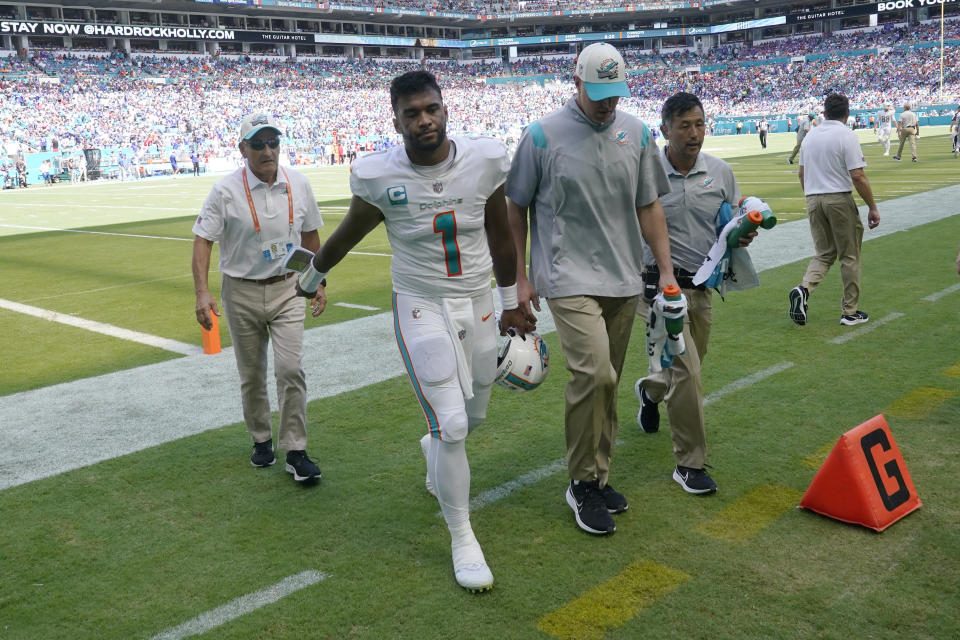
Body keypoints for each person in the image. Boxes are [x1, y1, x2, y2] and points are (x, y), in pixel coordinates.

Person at [294, 70, 530, 593]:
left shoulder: (484, 158)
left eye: (432, 109)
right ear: (395, 119)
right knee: (454, 424)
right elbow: (347, 233)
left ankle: (434, 450)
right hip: (422, 303)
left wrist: (512, 301)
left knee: (473, 417)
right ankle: (462, 536)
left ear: (445, 108)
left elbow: (501, 234)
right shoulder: (380, 174)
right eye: (412, 113)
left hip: (477, 298)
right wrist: (313, 275)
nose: (425, 120)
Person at [504, 43, 677, 536]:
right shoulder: (541, 137)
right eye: (598, 93)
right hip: (566, 277)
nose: (608, 103)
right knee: (594, 374)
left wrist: (665, 271)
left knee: (610, 380)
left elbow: (649, 206)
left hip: (623, 278)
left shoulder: (638, 134)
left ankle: (599, 478)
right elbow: (515, 206)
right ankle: (580, 482)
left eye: (615, 94)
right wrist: (520, 276)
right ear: (575, 83)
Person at [191, 113, 324, 484]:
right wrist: (202, 293)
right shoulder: (225, 191)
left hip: (289, 289)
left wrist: (318, 281)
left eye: (273, 142)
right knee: (251, 374)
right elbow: (203, 240)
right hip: (241, 290)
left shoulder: (299, 182)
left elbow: (311, 235)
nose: (267, 150)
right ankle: (262, 440)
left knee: (291, 369)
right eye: (258, 144)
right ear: (242, 149)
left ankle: (296, 450)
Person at [634, 92, 755, 495]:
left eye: (699, 124)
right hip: (657, 287)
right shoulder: (645, 172)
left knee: (685, 367)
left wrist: (745, 231)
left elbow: (733, 222)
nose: (694, 133)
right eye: (684, 125)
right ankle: (690, 463)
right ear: (664, 128)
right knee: (688, 369)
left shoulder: (720, 172)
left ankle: (649, 392)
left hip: (702, 287)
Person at [788, 93, 880, 327]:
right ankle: (850, 311)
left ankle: (804, 289)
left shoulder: (810, 136)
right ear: (847, 114)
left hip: (813, 198)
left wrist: (812, 196)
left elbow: (801, 174)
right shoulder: (846, 135)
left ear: (825, 112)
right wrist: (872, 207)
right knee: (849, 255)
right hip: (838, 198)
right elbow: (857, 175)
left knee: (824, 253)